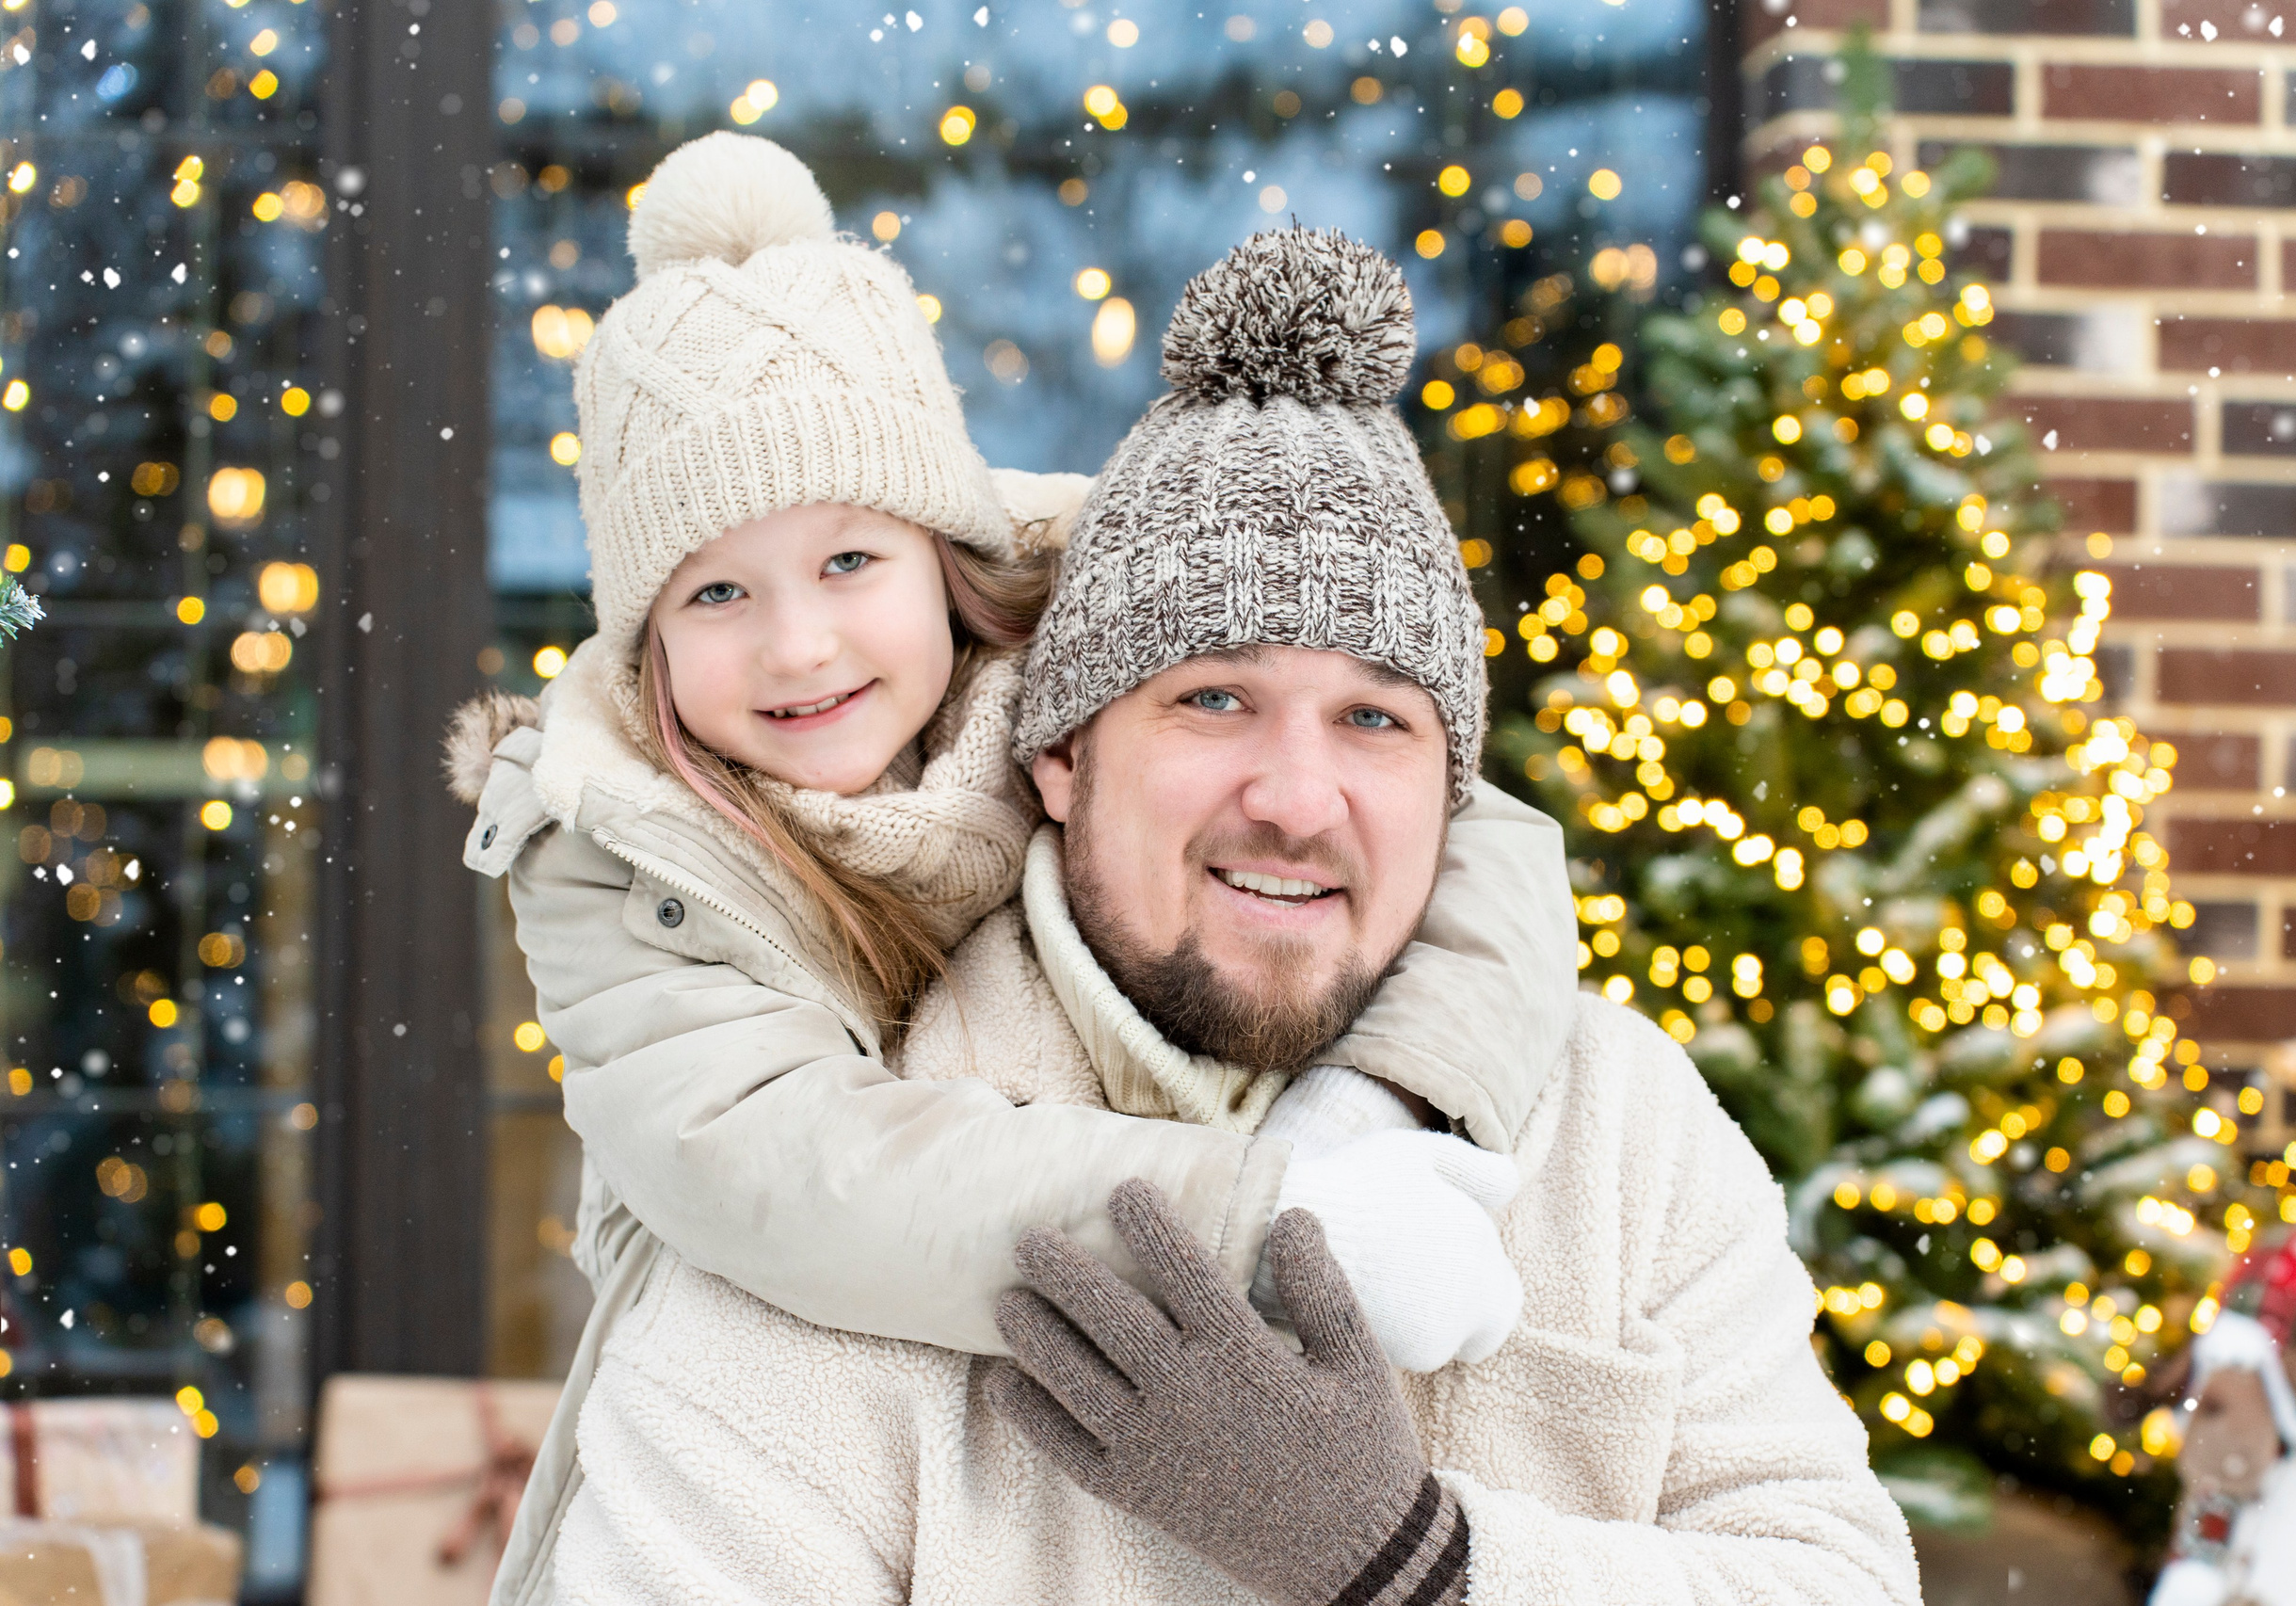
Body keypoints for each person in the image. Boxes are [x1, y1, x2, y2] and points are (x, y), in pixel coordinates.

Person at [546, 228, 1919, 1605]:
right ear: (1061, 754)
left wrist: (1421, 1566)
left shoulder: (1622, 1134)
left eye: (1376, 720)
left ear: (1453, 792)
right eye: (1215, 698)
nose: (1299, 798)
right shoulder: (843, 1230)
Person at [447, 135, 1582, 1606]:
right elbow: (798, 1176)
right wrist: (1276, 1217)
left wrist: (1377, 1105)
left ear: (946, 552)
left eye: (851, 559)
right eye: (717, 591)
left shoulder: (1095, 646)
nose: (799, 644)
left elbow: (1475, 831)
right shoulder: (614, 851)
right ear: (645, 640)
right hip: (785, 1370)